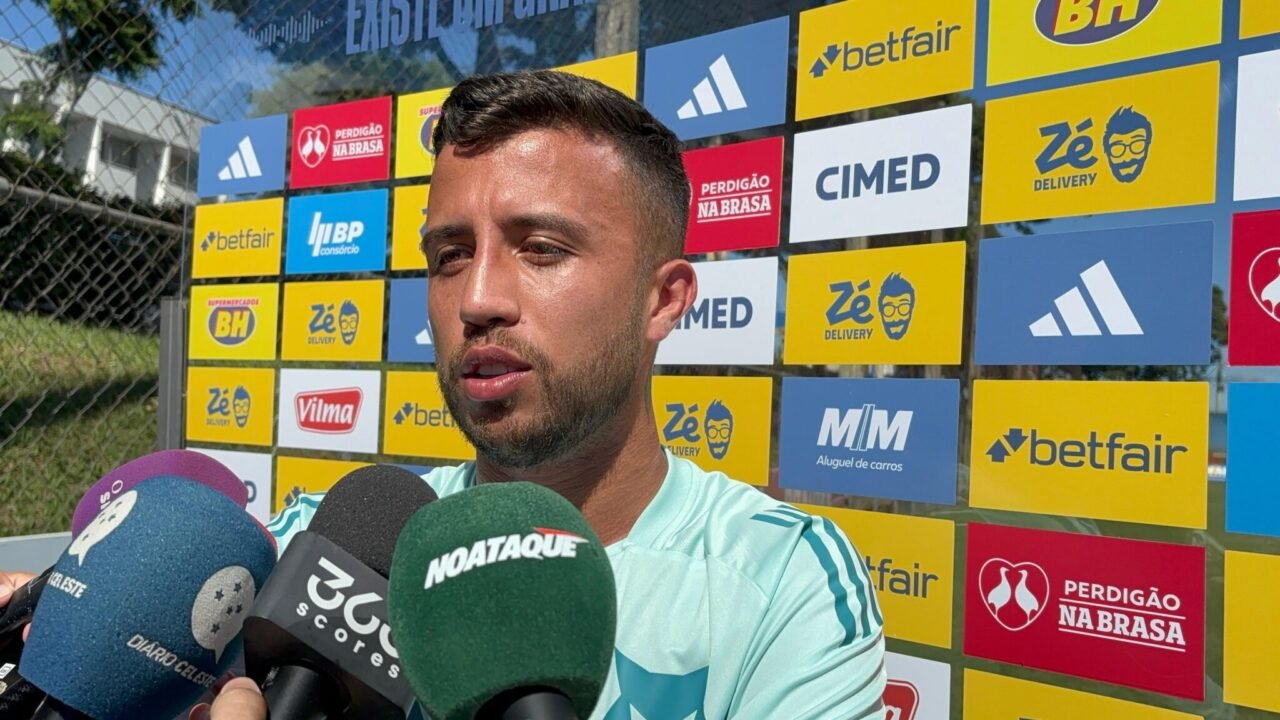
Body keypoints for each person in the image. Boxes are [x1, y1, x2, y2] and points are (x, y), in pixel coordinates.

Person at [1, 69, 885, 718]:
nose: (477, 299)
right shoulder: (327, 549)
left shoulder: (783, 582)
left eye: (542, 249)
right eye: (450, 255)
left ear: (664, 300)